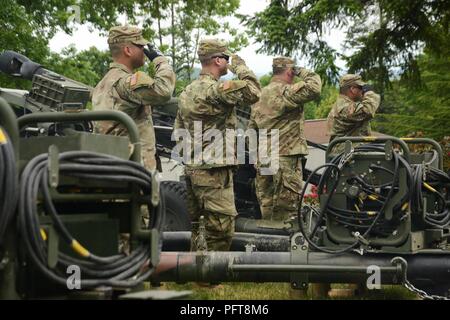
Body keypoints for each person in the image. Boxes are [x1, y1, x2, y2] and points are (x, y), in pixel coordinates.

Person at [174, 39, 261, 251]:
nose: (228, 63)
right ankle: (210, 279)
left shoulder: (187, 92)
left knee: (198, 225)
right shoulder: (218, 90)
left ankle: (197, 270)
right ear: (218, 60)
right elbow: (254, 92)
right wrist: (241, 67)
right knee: (221, 227)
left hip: (193, 168)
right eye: (227, 59)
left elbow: (179, 130)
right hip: (214, 171)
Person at [92, 25, 176, 171]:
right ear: (128, 50)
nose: (144, 50)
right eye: (140, 46)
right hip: (134, 172)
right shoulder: (126, 82)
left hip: (116, 167)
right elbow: (163, 91)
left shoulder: (103, 83)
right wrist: (160, 60)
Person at [248, 57, 322, 221]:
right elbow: (315, 87)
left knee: (266, 207)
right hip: (285, 157)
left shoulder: (260, 95)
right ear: (290, 71)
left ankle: (268, 242)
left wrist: (255, 156)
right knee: (288, 212)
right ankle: (284, 244)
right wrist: (301, 70)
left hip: (265, 158)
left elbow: (251, 130)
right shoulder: (286, 92)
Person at [326, 74, 380, 153]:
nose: (362, 91)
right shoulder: (344, 106)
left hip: (350, 152)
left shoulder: (345, 103)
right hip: (347, 156)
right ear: (352, 89)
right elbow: (368, 110)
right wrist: (369, 93)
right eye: (361, 88)